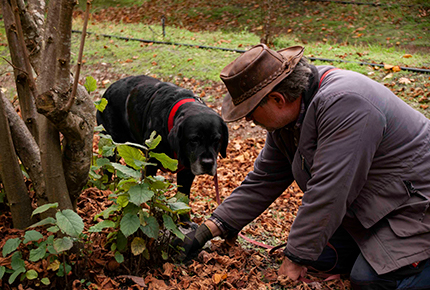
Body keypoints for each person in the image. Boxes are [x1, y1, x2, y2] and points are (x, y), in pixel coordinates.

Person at [177, 43, 430, 289]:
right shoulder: (290, 119)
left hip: (414, 206)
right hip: (375, 209)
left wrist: (295, 259)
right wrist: (210, 228)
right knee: (320, 256)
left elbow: (330, 190)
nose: (251, 120)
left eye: (251, 112)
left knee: (370, 280)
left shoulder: (346, 104)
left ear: (277, 99)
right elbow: (264, 179)